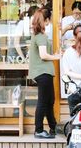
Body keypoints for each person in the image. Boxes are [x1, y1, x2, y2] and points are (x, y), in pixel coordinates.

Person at [29, 8, 61, 139]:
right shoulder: (41, 37)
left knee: (49, 100)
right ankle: (39, 130)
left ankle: (53, 127)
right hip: (42, 72)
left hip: (43, 72)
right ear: (46, 20)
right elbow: (43, 55)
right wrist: (57, 57)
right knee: (43, 101)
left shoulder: (39, 36)